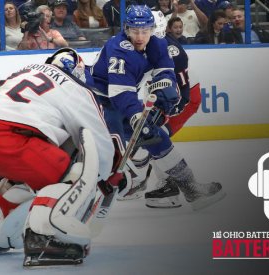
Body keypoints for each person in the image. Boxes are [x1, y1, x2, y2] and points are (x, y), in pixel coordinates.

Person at [0, 48, 116, 266]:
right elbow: (99, 141)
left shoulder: (25, 71)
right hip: (7, 137)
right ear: (78, 71)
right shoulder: (75, 87)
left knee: (28, 172)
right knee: (72, 171)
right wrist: (103, 177)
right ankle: (45, 238)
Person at [91, 5, 224, 209]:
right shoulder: (119, 49)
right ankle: (89, 193)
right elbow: (120, 93)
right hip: (97, 102)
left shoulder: (158, 43)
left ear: (152, 30)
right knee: (112, 149)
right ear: (126, 29)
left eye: (145, 31)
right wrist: (136, 114)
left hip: (118, 101)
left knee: (154, 135)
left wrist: (165, 90)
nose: (139, 36)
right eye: (135, 30)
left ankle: (191, 189)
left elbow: (166, 71)